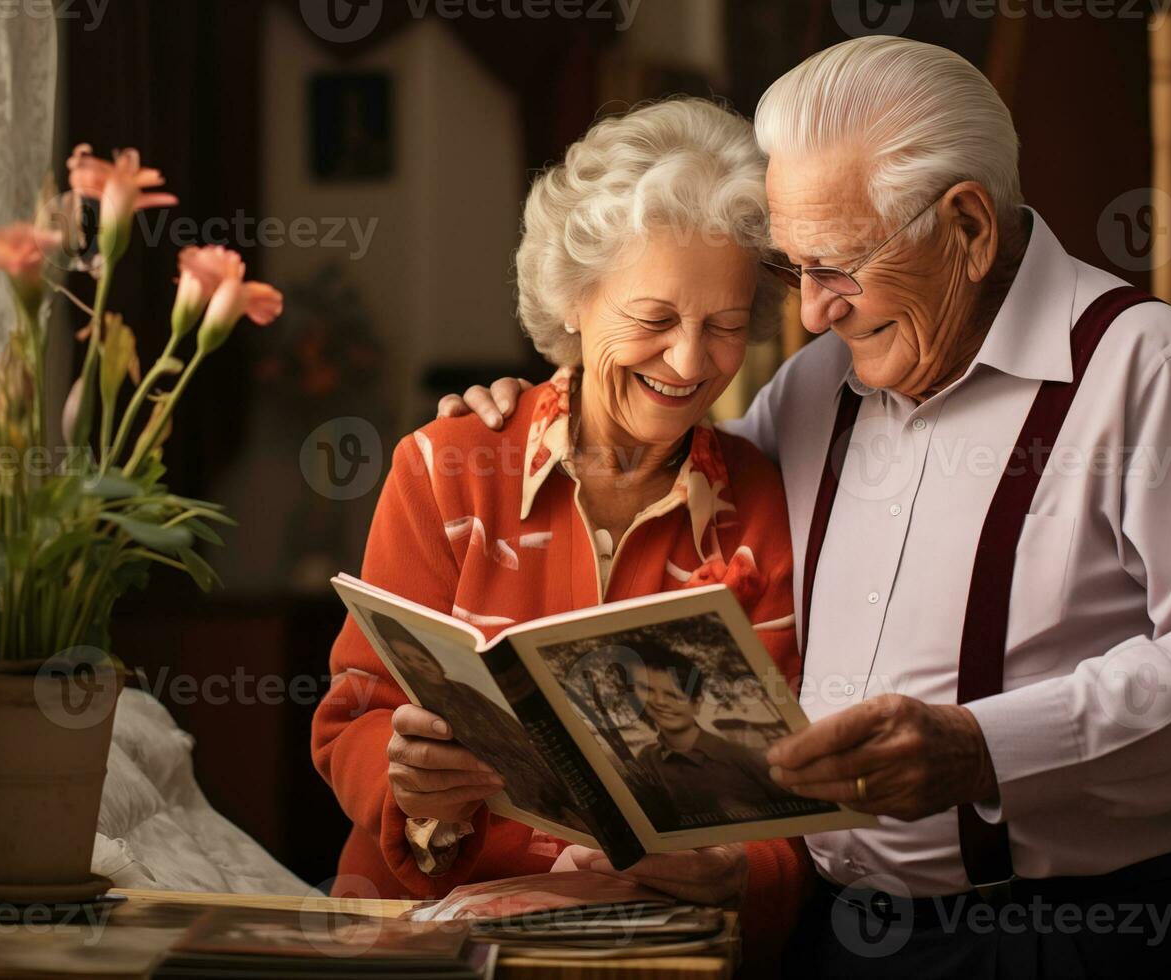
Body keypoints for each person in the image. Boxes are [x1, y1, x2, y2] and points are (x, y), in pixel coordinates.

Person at [437, 37, 1171, 977]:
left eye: (839, 266)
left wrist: (981, 748)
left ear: (967, 227)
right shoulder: (815, 389)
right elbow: (664, 486)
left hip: (1084, 940)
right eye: (793, 269)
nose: (813, 313)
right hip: (841, 941)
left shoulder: (1138, 366)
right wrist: (526, 413)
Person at [310, 97, 812, 967]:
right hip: (438, 936)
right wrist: (413, 784)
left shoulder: (765, 501)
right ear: (574, 300)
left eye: (724, 327)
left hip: (657, 951)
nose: (691, 363)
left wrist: (738, 867)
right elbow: (353, 716)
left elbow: (792, 798)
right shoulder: (446, 467)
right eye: (654, 319)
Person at [365, 612, 586, 829]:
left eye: (422, 658)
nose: (420, 665)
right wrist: (415, 787)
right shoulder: (426, 697)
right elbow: (360, 718)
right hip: (489, 808)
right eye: (408, 660)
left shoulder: (466, 692)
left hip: (538, 775)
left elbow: (511, 728)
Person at [622, 645, 799, 831]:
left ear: (696, 704)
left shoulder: (740, 756)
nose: (660, 702)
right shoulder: (647, 759)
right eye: (649, 691)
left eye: (672, 694)